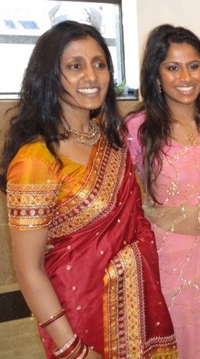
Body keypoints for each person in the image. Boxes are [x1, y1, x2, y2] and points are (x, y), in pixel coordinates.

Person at [0, 20, 177, 358]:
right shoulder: (35, 160)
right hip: (78, 315)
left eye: (99, 64)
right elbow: (28, 269)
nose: (91, 77)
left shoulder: (110, 139)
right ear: (49, 76)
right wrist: (72, 349)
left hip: (136, 303)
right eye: (74, 66)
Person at [125, 24, 200, 359]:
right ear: (156, 74)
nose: (185, 77)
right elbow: (129, 203)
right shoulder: (138, 129)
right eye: (172, 68)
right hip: (164, 262)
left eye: (193, 65)